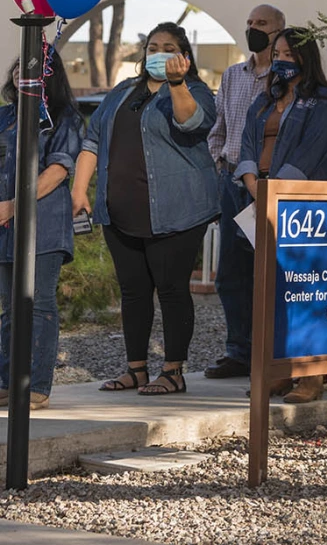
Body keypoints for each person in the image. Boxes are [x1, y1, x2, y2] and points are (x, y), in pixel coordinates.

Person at [72, 23, 219, 396]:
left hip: (177, 211)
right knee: (133, 291)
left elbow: (192, 123)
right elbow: (92, 141)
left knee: (171, 289)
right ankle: (135, 369)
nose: (159, 52)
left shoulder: (194, 90)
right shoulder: (122, 91)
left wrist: (177, 83)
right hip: (120, 210)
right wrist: (79, 191)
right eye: (153, 46)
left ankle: (173, 371)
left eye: (169, 47)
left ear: (183, 55)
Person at [236, 26, 327, 403]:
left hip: (303, 205)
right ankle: (281, 371)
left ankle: (312, 376)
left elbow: (315, 153)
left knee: (307, 292)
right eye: (277, 54)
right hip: (260, 198)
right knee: (272, 293)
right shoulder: (265, 100)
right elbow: (248, 140)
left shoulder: (324, 102)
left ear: (305, 58)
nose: (281, 60)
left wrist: (276, 192)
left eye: (289, 55)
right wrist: (253, 183)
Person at [204, 4, 284, 380]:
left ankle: (271, 352)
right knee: (230, 274)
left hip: (267, 186)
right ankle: (239, 350)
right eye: (250, 22)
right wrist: (219, 162)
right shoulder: (233, 74)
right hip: (231, 182)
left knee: (268, 273)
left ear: (279, 31)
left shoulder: (286, 77)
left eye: (262, 23)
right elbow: (219, 127)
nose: (254, 28)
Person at [0, 52, 83, 410]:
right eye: (18, 66)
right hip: (3, 226)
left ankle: (36, 386)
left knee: (38, 305)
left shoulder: (62, 118)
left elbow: (58, 170)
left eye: (31, 67)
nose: (22, 72)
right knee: (8, 308)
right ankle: (6, 382)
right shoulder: (4, 117)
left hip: (43, 224)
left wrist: (14, 205)